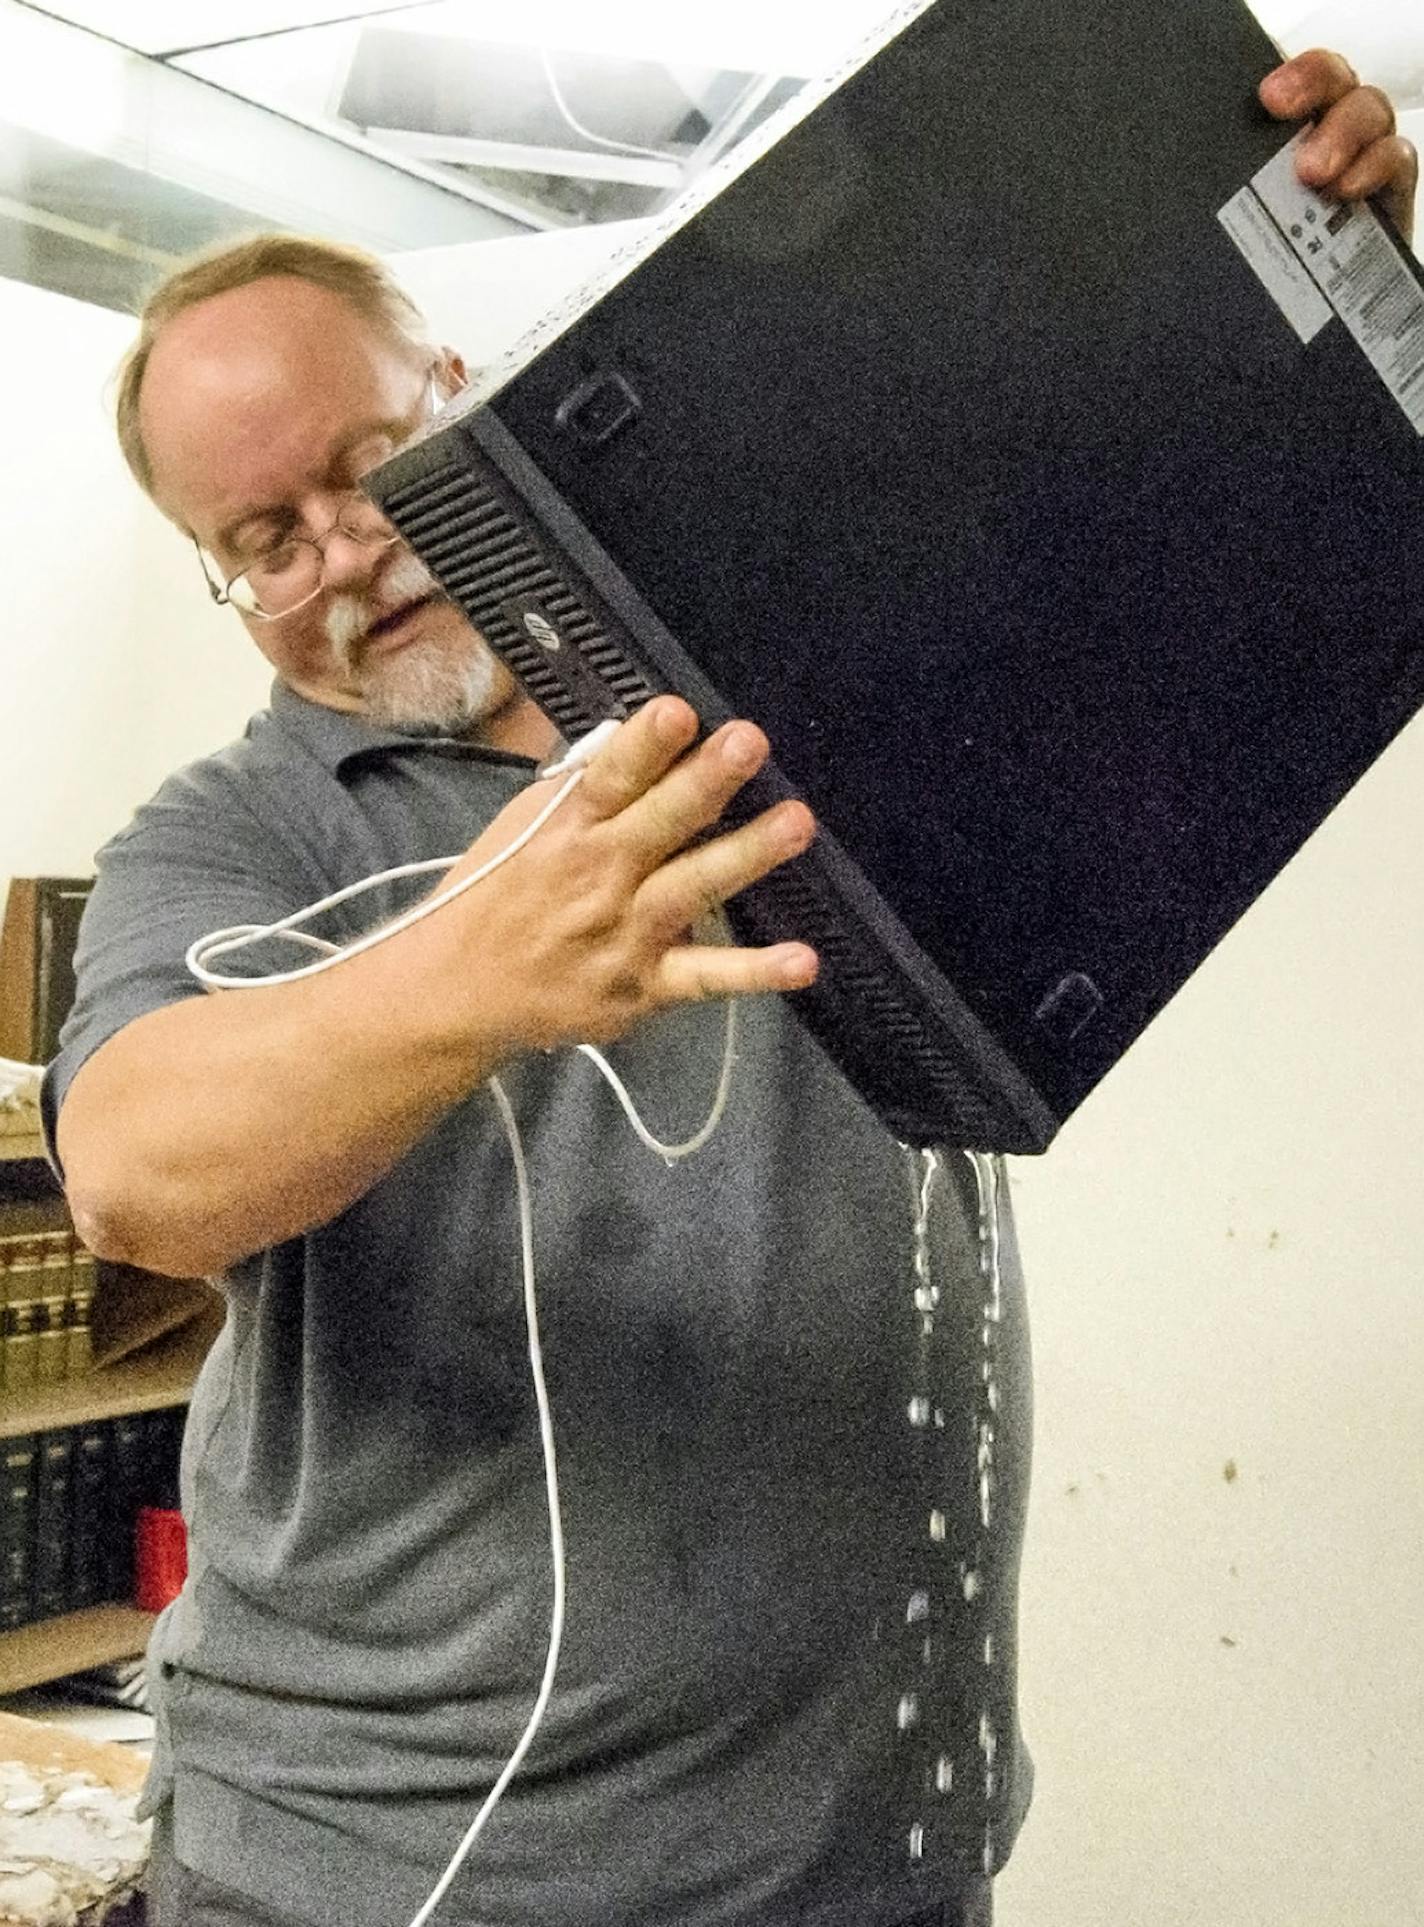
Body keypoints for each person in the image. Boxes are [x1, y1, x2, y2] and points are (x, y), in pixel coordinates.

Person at [43, 45, 1417, 1927]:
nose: (348, 552)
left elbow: (1151, 519)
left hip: (869, 1860)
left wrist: (1322, 274)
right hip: (412, 1879)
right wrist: (470, 972)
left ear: (460, 391)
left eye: (368, 467)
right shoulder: (238, 834)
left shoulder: (805, 652)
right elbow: (132, 1164)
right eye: (264, 542)